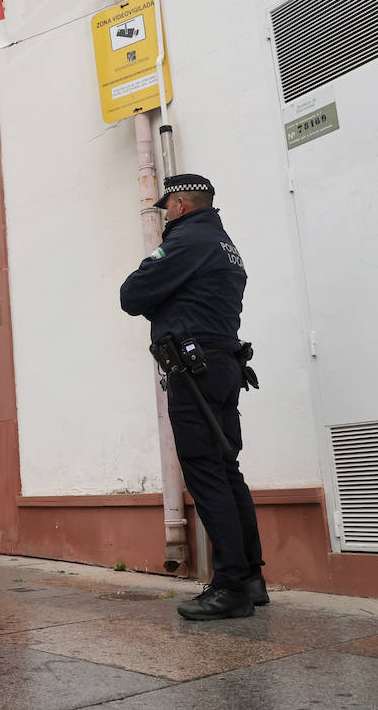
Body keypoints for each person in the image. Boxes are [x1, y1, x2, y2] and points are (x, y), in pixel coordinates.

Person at [120, 174, 266, 621]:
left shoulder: (187, 242)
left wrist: (158, 298)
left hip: (195, 371)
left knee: (205, 474)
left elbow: (132, 294)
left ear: (181, 205)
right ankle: (252, 578)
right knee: (226, 469)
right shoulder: (224, 244)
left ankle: (229, 586)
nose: (166, 217)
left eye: (168, 209)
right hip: (224, 365)